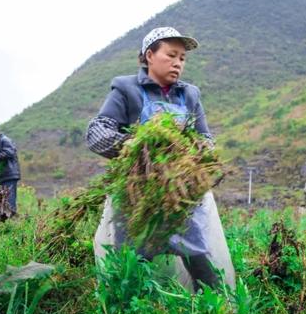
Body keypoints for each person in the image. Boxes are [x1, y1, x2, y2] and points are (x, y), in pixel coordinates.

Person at [86, 26, 235, 291]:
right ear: (149, 56)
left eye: (182, 58)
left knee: (197, 252)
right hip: (136, 195)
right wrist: (132, 146)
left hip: (179, 194)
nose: (178, 63)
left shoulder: (189, 95)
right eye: (171, 55)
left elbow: (206, 139)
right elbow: (98, 130)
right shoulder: (125, 89)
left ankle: (214, 311)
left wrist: (193, 155)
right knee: (132, 257)